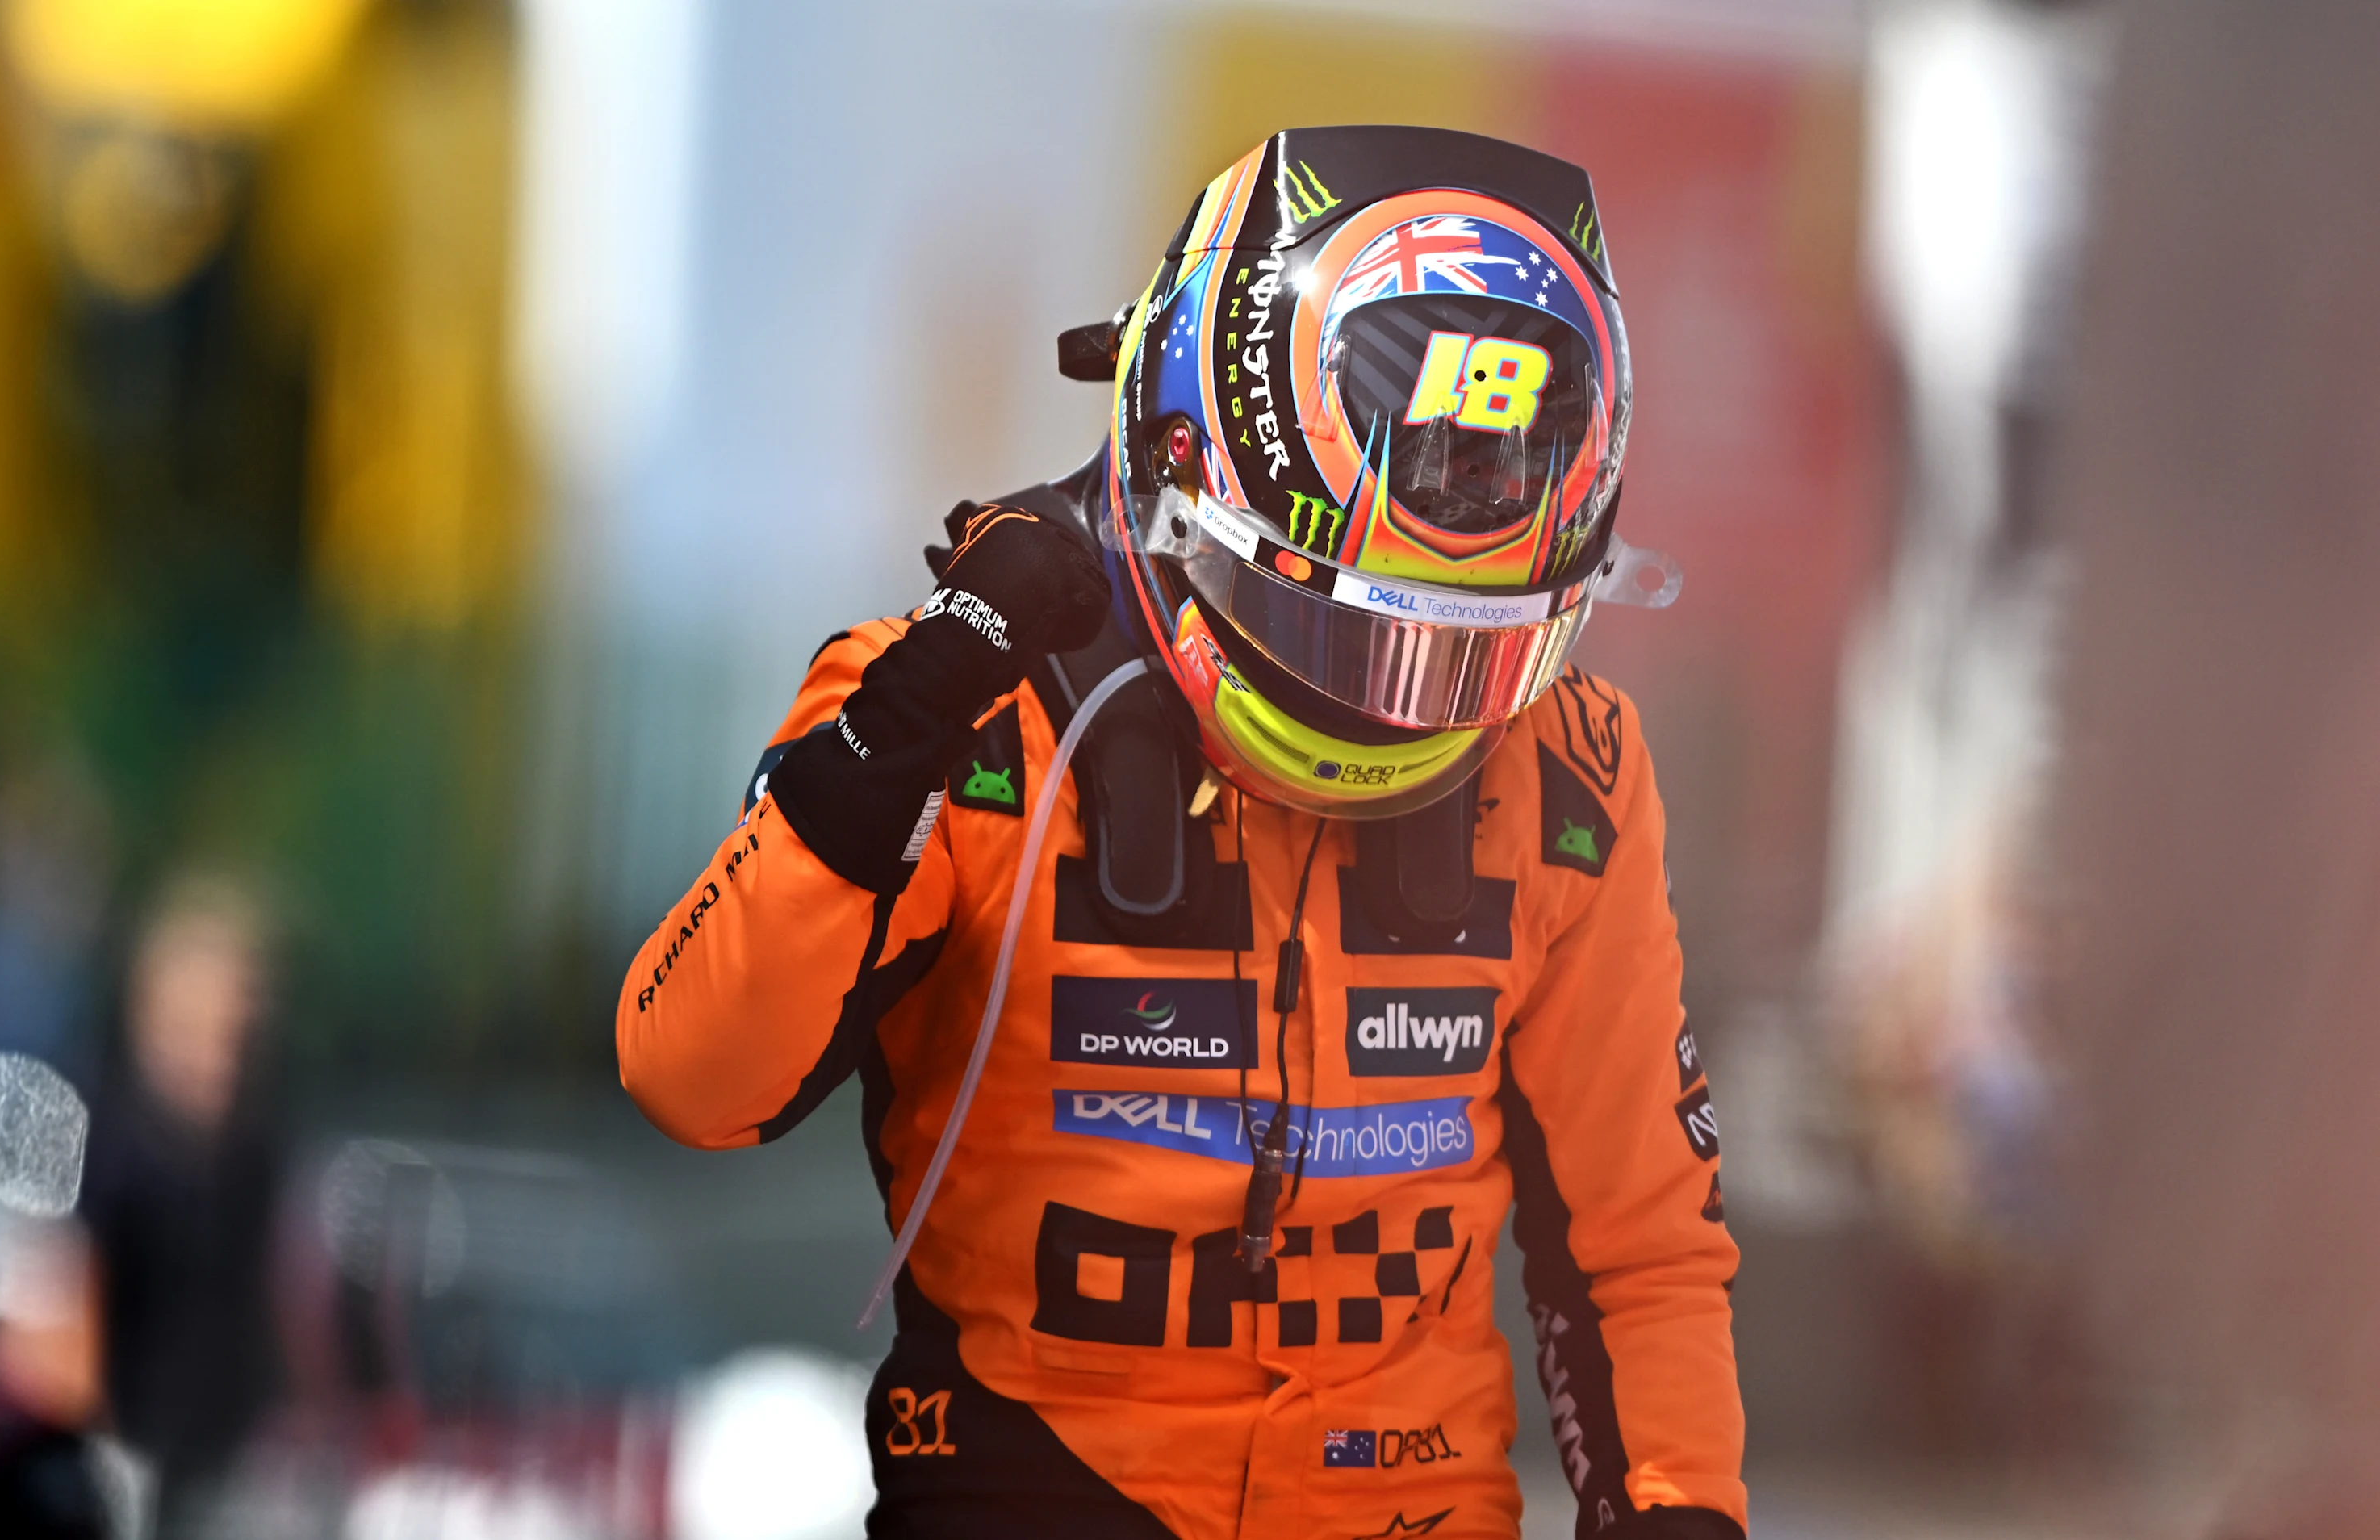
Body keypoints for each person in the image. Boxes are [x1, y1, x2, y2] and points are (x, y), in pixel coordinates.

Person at [618, 126, 1745, 1539]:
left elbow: (1642, 1246)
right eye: (1343, 629)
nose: (1391, 702)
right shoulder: (966, 712)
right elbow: (691, 1076)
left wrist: (1681, 1519)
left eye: (1460, 654)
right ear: (1178, 484)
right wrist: (898, 726)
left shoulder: (1571, 770)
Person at [79, 873, 284, 1534]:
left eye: (238, 1033)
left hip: (223, 1455)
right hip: (126, 1457)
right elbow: (67, 1316)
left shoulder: (251, 1152)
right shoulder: (111, 1151)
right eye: (200, 1030)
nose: (222, 1056)